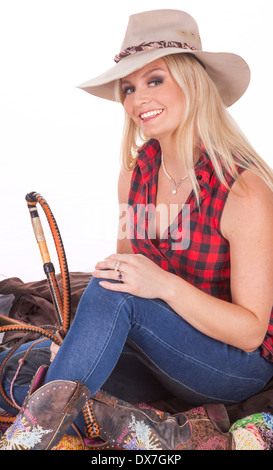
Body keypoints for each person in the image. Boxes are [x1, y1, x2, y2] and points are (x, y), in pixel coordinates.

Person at [1, 8, 273, 450]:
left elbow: (249, 332)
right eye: (128, 87)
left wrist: (162, 285)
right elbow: (125, 273)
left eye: (154, 80)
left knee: (109, 296)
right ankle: (170, 428)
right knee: (26, 364)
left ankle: (27, 441)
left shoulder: (244, 191)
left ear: (193, 81)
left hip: (230, 366)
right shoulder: (136, 175)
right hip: (165, 352)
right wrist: (82, 337)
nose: (135, 99)